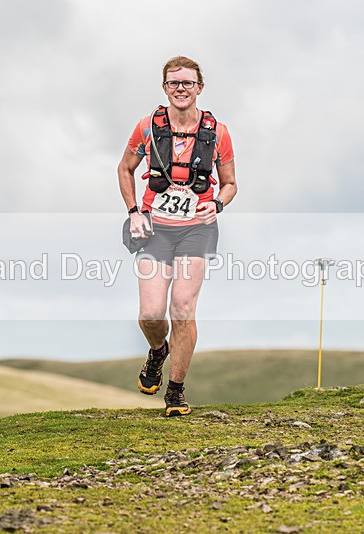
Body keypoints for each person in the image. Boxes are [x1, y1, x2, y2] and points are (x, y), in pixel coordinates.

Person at [117, 56, 237, 416]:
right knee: (152, 315)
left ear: (200, 87)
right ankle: (157, 351)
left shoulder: (218, 133)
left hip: (197, 231)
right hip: (155, 229)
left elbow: (231, 184)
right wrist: (134, 211)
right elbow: (125, 169)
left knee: (183, 308)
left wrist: (217, 203)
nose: (180, 89)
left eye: (187, 83)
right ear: (164, 88)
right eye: (173, 83)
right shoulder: (147, 128)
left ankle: (176, 392)